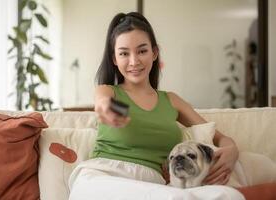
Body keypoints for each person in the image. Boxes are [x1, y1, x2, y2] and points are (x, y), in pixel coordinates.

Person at [68, 12, 244, 200]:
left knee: (230, 196)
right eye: (124, 53)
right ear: (114, 59)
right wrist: (110, 109)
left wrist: (232, 149)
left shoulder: (171, 101)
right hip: (100, 177)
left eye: (142, 51)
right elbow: (103, 103)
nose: (134, 61)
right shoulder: (108, 92)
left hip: (153, 185)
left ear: (155, 53)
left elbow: (218, 137)